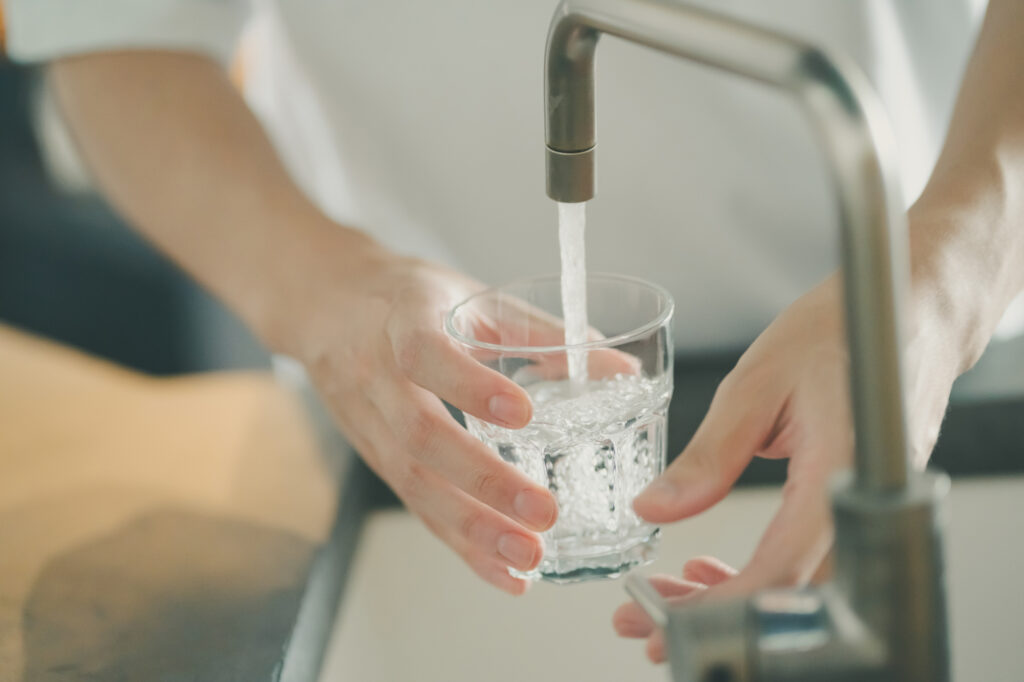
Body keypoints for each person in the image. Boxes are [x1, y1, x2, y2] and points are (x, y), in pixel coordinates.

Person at [6, 0, 1023, 664]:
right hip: (414, 412)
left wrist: (949, 266)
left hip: (924, 358)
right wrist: (329, 289)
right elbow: (109, 39)